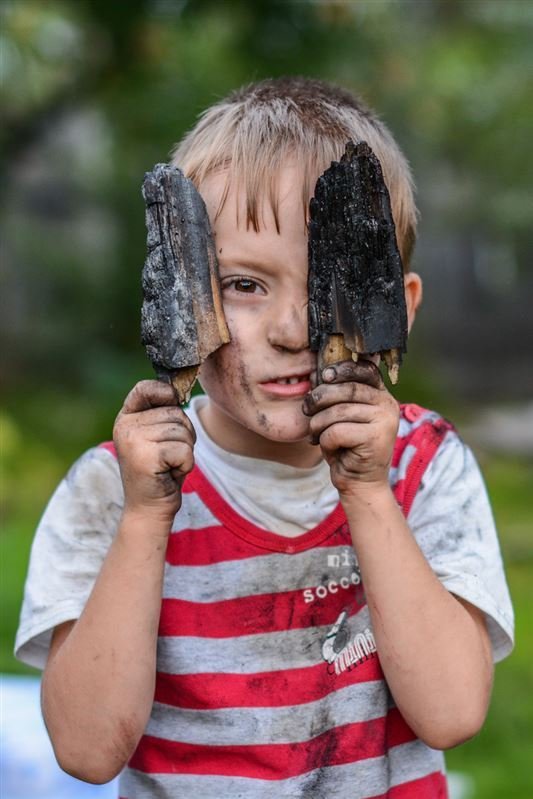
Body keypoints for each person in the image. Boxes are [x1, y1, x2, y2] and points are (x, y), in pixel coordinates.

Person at [15, 77, 514, 799]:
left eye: (327, 286)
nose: (289, 332)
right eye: (245, 285)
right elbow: (89, 751)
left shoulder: (423, 467)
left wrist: (368, 495)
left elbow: (452, 712)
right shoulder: (112, 489)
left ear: (395, 309)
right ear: (176, 292)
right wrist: (144, 519)